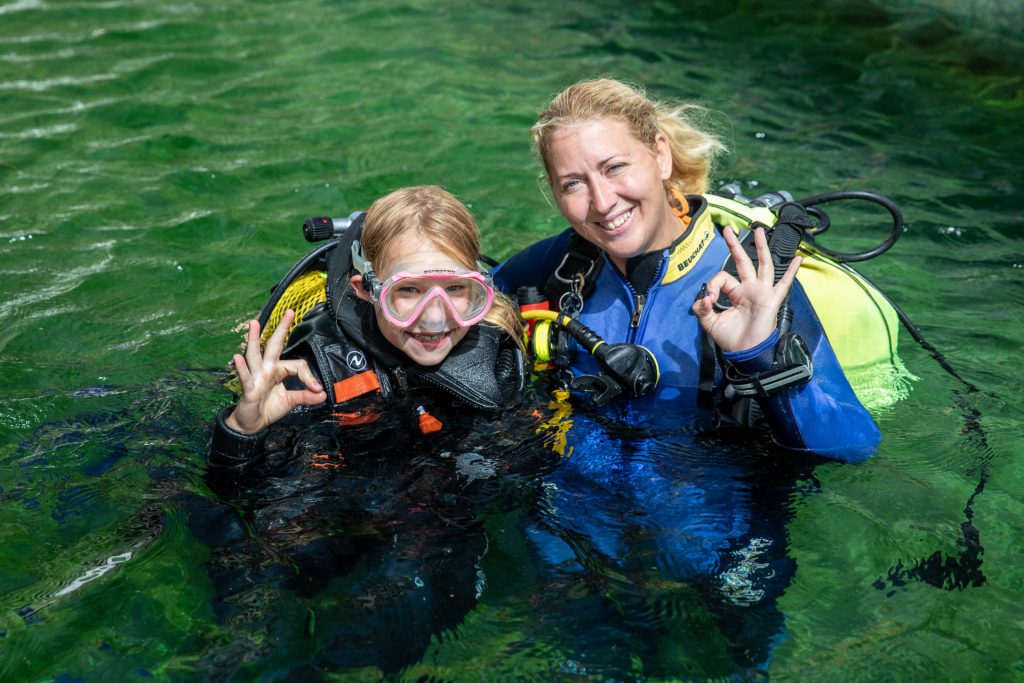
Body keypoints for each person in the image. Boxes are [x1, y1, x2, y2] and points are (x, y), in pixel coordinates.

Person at [203, 185, 545, 676]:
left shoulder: (500, 363)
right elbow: (232, 494)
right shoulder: (311, 372)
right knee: (258, 579)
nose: (433, 319)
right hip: (331, 498)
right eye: (407, 291)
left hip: (418, 514)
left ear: (479, 292)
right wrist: (243, 428)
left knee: (410, 585)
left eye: (455, 292)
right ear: (366, 290)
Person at [493, 77, 881, 462]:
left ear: (660, 155)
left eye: (614, 168)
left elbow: (852, 446)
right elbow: (468, 293)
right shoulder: (564, 265)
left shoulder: (750, 279)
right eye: (573, 183)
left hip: (711, 517)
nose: (602, 201)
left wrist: (761, 358)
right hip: (565, 512)